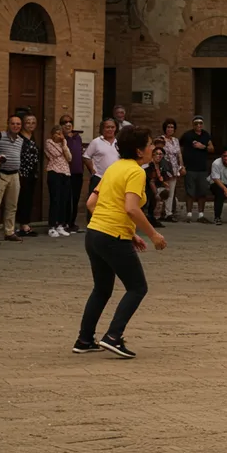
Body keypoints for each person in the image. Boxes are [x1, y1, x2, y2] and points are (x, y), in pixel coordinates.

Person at [75, 126, 167, 359]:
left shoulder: (113, 168)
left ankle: (85, 340)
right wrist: (153, 234)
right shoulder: (137, 173)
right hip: (112, 236)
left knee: (102, 288)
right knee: (137, 288)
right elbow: (131, 208)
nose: (152, 148)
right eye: (148, 144)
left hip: (94, 233)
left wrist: (130, 232)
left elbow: (91, 203)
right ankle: (113, 336)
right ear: (138, 150)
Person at [0, 115, 24, 242]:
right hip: (1, 174)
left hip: (14, 175)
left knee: (12, 205)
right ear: (8, 124)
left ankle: (9, 232)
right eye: (13, 123)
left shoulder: (20, 140)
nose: (16, 126)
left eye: (18, 124)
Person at [179, 116, 215, 223]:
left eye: (200, 124)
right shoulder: (187, 135)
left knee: (202, 191)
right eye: (196, 124)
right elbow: (179, 149)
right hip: (190, 167)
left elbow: (212, 148)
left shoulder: (205, 135)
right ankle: (189, 214)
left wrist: (202, 147)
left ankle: (201, 215)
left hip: (202, 168)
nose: (198, 126)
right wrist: (182, 165)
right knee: (190, 191)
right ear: (193, 124)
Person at [10, 114, 40, 238]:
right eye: (28, 122)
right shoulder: (19, 138)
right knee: (20, 199)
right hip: (21, 173)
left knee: (28, 199)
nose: (31, 125)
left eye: (33, 122)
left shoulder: (34, 138)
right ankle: (20, 225)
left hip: (32, 174)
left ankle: (25, 224)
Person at [45, 125, 73, 237]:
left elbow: (70, 158)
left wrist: (64, 144)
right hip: (54, 172)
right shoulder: (49, 142)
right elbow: (56, 154)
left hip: (65, 172)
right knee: (55, 199)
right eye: (57, 133)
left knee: (63, 200)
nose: (59, 135)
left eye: (60, 133)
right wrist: (62, 144)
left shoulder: (64, 143)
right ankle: (52, 226)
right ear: (52, 134)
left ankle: (60, 225)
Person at [62, 115, 87, 232]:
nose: (68, 124)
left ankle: (72, 222)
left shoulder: (78, 138)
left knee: (75, 198)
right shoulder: (61, 139)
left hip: (78, 172)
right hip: (66, 173)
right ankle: (64, 222)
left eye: (70, 122)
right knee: (66, 198)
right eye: (64, 122)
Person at [157, 119, 183, 223]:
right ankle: (159, 212)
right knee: (163, 190)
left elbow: (179, 154)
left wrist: (182, 166)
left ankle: (168, 213)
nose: (170, 129)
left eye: (172, 127)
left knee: (171, 192)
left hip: (174, 167)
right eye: (168, 127)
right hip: (164, 168)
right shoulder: (161, 139)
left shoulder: (175, 140)